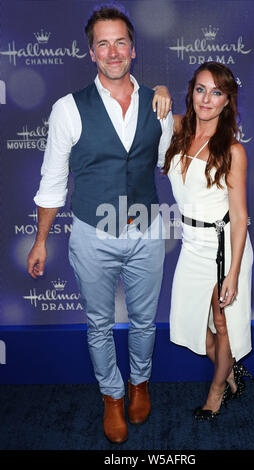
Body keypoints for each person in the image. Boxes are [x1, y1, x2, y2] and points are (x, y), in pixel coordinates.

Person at [27, 5, 173, 443]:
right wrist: (40, 241)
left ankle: (139, 383)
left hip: (147, 229)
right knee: (99, 323)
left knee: (145, 321)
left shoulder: (157, 103)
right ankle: (112, 395)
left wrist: (162, 98)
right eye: (103, 43)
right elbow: (52, 182)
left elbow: (166, 164)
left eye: (120, 42)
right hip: (92, 233)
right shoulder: (67, 109)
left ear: (133, 48)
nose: (113, 51)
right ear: (91, 52)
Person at [163, 62, 254, 421]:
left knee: (223, 320)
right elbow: (143, 105)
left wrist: (232, 273)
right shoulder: (179, 130)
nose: (206, 98)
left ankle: (217, 390)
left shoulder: (233, 151)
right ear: (192, 92)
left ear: (227, 101)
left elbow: (241, 216)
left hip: (224, 246)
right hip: (191, 243)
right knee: (194, 322)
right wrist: (160, 90)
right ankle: (228, 370)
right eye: (201, 89)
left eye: (217, 92)